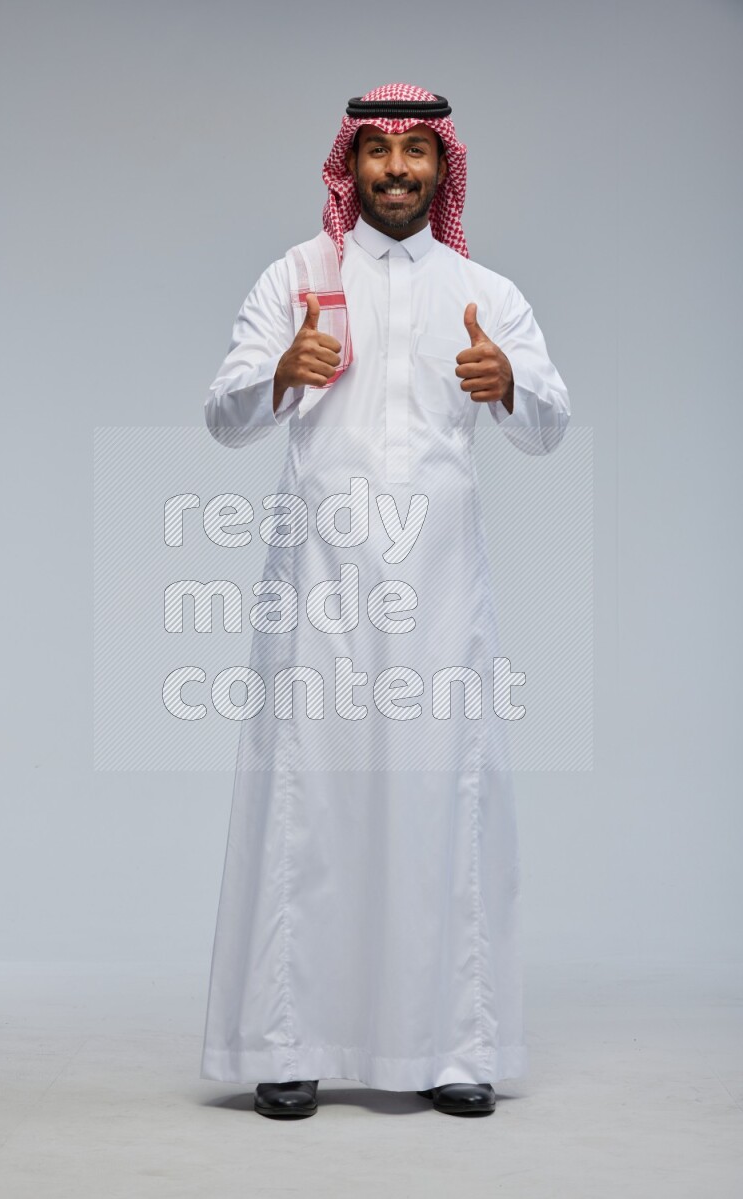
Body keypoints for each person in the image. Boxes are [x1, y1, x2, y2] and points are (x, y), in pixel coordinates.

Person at [200, 83, 570, 1120]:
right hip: (318, 583)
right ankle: (289, 1039)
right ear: (348, 164)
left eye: (416, 151)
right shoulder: (297, 275)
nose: (397, 169)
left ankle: (454, 1044)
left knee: (440, 799)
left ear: (441, 168)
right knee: (308, 803)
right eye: (378, 151)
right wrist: (279, 370)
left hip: (441, 593)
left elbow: (549, 421)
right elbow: (222, 412)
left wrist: (507, 384)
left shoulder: (482, 288)